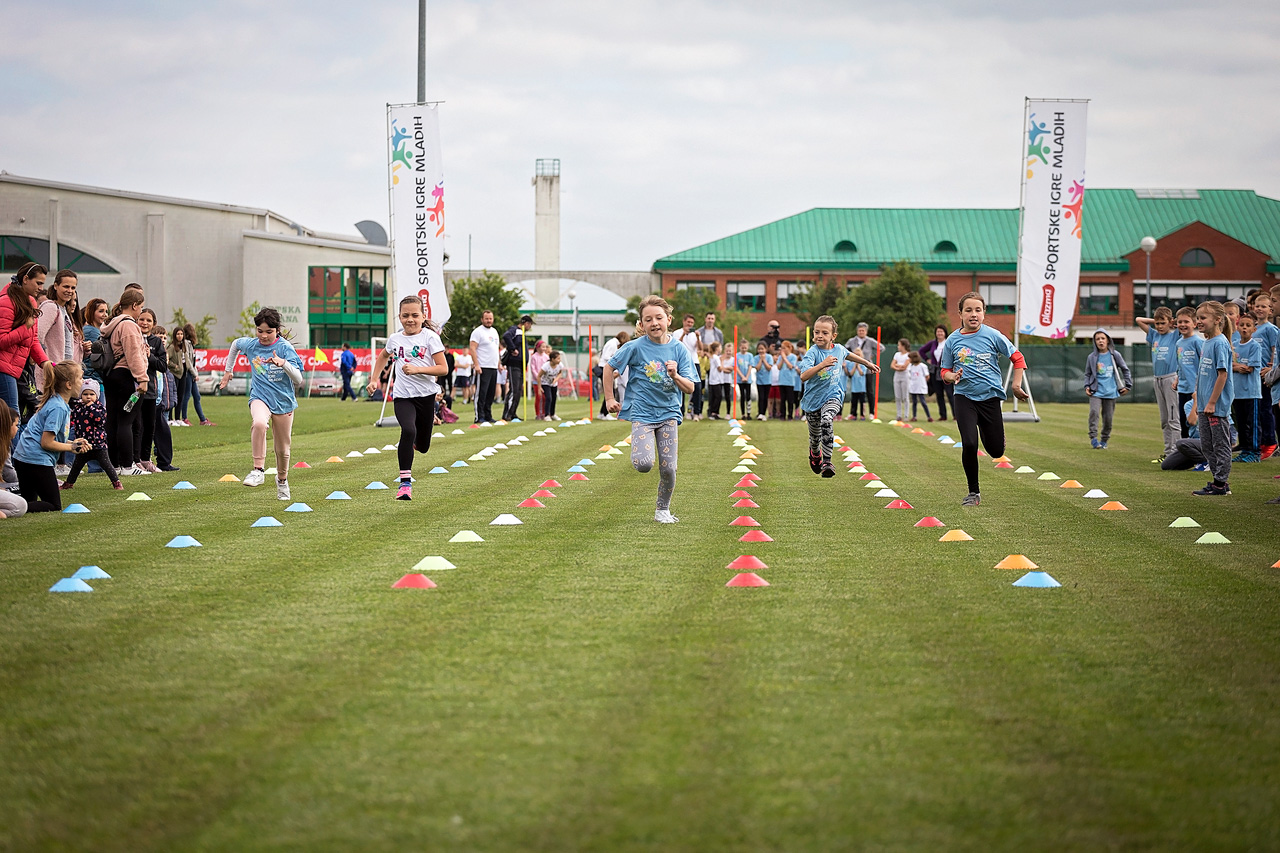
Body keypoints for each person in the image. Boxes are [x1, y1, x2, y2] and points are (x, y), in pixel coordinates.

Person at [602, 295, 697, 523]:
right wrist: (609, 399)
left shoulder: (680, 349)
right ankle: (641, 454)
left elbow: (690, 387)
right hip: (642, 414)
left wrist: (675, 376)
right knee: (644, 464)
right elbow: (608, 367)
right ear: (642, 324)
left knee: (669, 469)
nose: (654, 323)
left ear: (668, 319)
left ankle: (662, 510)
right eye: (648, 319)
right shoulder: (634, 347)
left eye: (659, 318)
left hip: (669, 414)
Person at [939, 291, 1029, 507]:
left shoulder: (992, 335)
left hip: (990, 399)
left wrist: (1016, 385)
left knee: (996, 451)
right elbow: (944, 371)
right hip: (964, 397)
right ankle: (973, 492)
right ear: (960, 313)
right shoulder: (952, 340)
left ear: (983, 313)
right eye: (968, 310)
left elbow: (1018, 358)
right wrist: (952, 376)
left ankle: (996, 439)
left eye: (978, 310)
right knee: (969, 443)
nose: (973, 314)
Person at [219, 307, 304, 500]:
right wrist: (227, 371)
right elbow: (235, 345)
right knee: (258, 423)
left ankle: (282, 480)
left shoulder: (285, 348)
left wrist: (283, 364)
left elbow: (298, 379)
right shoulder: (251, 345)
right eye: (260, 331)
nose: (263, 336)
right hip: (260, 397)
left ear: (277, 331)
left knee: (282, 450)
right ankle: (258, 470)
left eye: (268, 332)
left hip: (283, 402)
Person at [367, 295, 447, 501]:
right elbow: (383, 356)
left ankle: (414, 444)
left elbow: (443, 368)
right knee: (408, 430)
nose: (410, 319)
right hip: (403, 396)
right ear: (399, 317)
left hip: (427, 396)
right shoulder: (395, 339)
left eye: (414, 315)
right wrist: (374, 379)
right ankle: (405, 484)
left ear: (423, 316)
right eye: (405, 315)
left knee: (424, 446)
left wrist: (418, 369)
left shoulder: (430, 338)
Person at [798, 315, 881, 476]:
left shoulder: (839, 349)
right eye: (816, 332)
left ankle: (827, 462)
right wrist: (822, 364)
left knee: (827, 420)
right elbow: (803, 376)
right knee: (815, 438)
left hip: (833, 396)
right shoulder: (812, 353)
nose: (819, 336)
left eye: (824, 333)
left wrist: (867, 363)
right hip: (812, 401)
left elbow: (849, 354)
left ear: (833, 336)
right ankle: (815, 454)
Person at [13, 360, 89, 512]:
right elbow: (46, 442)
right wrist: (71, 447)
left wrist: (73, 442)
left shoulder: (58, 403)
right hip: (35, 460)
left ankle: (9, 505)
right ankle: (7, 504)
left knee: (27, 506)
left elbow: (50, 438)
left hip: (24, 458)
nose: (83, 381)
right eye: (80, 378)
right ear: (68, 384)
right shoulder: (58, 407)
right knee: (53, 505)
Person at [99, 287, 150, 475]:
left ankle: (115, 464)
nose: (141, 311)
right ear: (134, 305)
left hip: (112, 375)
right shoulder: (128, 325)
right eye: (141, 307)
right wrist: (142, 379)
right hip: (125, 376)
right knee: (126, 421)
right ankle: (128, 465)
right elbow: (133, 354)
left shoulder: (113, 323)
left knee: (112, 421)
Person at [1192, 301, 1235, 496]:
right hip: (1203, 405)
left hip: (1215, 407)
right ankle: (1218, 480)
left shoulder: (1220, 343)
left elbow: (1222, 375)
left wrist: (1212, 402)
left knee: (1220, 445)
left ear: (1217, 320)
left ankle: (1220, 484)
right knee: (1207, 445)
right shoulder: (1207, 342)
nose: (1198, 322)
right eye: (1198, 318)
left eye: (1203, 318)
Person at [60, 378, 121, 491]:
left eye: (92, 394)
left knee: (107, 465)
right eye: (85, 394)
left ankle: (116, 482)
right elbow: (72, 419)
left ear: (96, 396)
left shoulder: (99, 407)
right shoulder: (78, 408)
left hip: (98, 444)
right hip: (83, 444)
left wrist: (91, 407)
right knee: (76, 466)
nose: (88, 397)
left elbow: (100, 420)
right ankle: (69, 483)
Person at [1136, 307, 1181, 461]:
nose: (1160, 326)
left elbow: (1181, 326)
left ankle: (1176, 452)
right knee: (1164, 419)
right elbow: (1138, 320)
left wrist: (1173, 322)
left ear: (1170, 322)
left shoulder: (1175, 335)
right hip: (1157, 379)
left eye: (1163, 323)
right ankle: (1168, 452)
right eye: (1157, 323)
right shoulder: (1154, 335)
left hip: (1170, 378)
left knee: (1173, 418)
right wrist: (1154, 321)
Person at [36, 270, 85, 393]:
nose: (69, 290)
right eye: (66, 286)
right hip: (49, 373)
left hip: (62, 373)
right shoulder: (51, 307)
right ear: (56, 286)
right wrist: (46, 364)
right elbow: (37, 336)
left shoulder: (63, 310)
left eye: (73, 287)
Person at [1083, 330, 1131, 449]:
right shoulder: (1092, 357)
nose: (1100, 341)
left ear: (1107, 340)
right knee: (1094, 412)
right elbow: (1087, 374)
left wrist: (1128, 385)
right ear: (1095, 341)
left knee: (1108, 418)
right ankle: (1093, 438)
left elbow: (1125, 369)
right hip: (1096, 391)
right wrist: (1087, 386)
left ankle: (1104, 440)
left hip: (1111, 392)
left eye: (1102, 338)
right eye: (1098, 339)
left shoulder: (1115, 355)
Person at [1231, 313, 1264, 463]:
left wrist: (1236, 367)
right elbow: (1230, 365)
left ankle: (1255, 452)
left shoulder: (1255, 346)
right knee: (1241, 423)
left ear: (1254, 329)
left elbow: (1249, 368)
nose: (1244, 328)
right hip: (1237, 393)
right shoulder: (1235, 345)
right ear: (1237, 327)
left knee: (1253, 424)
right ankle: (1245, 450)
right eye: (1242, 325)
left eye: (1248, 325)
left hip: (1251, 392)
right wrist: (1238, 367)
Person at [1249, 293, 1278, 458]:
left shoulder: (1270, 329)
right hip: (1253, 376)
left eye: (1263, 306)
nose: (1259, 309)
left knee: (1267, 409)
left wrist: (1271, 369)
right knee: (1258, 410)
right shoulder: (1253, 328)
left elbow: (1276, 350)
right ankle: (1259, 441)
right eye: (1257, 306)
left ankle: (1270, 442)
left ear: (1269, 310)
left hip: (1265, 376)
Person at [1173, 306, 1203, 438]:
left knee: (1195, 423)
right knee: (1183, 422)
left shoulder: (1198, 342)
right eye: (1180, 322)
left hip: (1195, 391)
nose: (1183, 325)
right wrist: (1177, 379)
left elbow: (1203, 365)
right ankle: (1185, 452)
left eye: (1186, 322)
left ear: (1195, 324)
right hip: (1183, 389)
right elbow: (1180, 365)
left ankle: (1198, 450)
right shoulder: (1179, 343)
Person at [501, 315, 534, 421]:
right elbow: (506, 336)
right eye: (530, 324)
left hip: (521, 365)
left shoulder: (523, 332)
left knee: (519, 390)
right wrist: (512, 349)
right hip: (514, 364)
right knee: (514, 389)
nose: (530, 327)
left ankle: (513, 412)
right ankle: (507, 414)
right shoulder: (515, 330)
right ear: (526, 323)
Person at [469, 310, 500, 423]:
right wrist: (477, 365)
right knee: (481, 393)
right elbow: (472, 349)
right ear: (482, 319)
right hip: (482, 367)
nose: (488, 321)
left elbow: (496, 350)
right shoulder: (478, 332)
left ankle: (488, 415)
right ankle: (479, 416)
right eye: (486, 319)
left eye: (490, 318)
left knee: (491, 393)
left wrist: (499, 364)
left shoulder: (495, 331)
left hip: (493, 367)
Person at [671, 314, 702, 419]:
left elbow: (700, 348)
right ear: (684, 322)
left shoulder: (695, 334)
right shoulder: (677, 333)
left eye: (692, 323)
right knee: (680, 385)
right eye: (688, 322)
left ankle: (697, 412)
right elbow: (675, 346)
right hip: (681, 362)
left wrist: (698, 337)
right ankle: (681, 411)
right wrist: (683, 334)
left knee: (697, 387)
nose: (690, 325)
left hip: (694, 361)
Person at [183, 323, 214, 425]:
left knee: (197, 396)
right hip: (188, 374)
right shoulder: (186, 344)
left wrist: (195, 373)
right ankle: (184, 418)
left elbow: (193, 361)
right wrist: (194, 373)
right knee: (187, 396)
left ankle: (202, 419)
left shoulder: (191, 344)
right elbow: (188, 361)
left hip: (191, 374)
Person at [1162, 400, 1207, 471]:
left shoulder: (1214, 402)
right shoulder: (1189, 404)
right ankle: (1199, 459)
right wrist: (1196, 402)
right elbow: (1192, 421)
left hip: (1208, 442)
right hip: (1194, 443)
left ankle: (1205, 462)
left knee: (1181, 443)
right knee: (1166, 465)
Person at [919, 324, 951, 421]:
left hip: (946, 370)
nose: (940, 333)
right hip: (935, 371)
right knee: (939, 394)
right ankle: (943, 415)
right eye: (938, 332)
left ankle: (955, 415)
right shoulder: (933, 343)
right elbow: (921, 351)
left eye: (941, 331)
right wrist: (927, 359)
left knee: (950, 393)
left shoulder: (949, 342)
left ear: (945, 333)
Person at [0, 404, 26, 518]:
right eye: (16, 425)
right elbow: (8, 471)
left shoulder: (5, 444)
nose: (17, 428)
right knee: (20, 505)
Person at [598, 332, 630, 417]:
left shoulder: (612, 343)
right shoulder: (612, 344)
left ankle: (602, 413)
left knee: (608, 391)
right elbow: (606, 357)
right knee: (609, 391)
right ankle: (605, 413)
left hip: (605, 367)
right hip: (605, 368)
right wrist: (618, 360)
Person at [81, 297, 110, 385]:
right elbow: (95, 359)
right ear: (91, 313)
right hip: (92, 379)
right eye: (101, 311)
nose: (105, 315)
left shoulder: (97, 330)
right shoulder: (91, 331)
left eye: (106, 311)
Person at [538, 350, 564, 422]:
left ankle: (553, 414)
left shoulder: (560, 365)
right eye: (558, 358)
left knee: (554, 398)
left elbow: (560, 373)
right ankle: (547, 415)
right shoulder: (545, 366)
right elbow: (539, 376)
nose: (559, 360)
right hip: (545, 383)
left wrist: (556, 379)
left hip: (553, 384)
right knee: (549, 398)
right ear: (552, 359)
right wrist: (539, 387)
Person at [705, 341, 729, 418]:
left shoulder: (713, 357)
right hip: (716, 380)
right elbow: (720, 368)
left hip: (714, 380)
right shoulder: (716, 358)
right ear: (717, 348)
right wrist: (723, 363)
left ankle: (714, 412)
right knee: (718, 396)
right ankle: (714, 412)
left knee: (715, 396)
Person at [528, 340, 550, 420]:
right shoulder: (534, 356)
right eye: (543, 347)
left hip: (545, 380)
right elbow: (533, 368)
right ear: (538, 347)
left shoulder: (546, 357)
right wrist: (537, 377)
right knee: (538, 397)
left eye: (545, 347)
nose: (544, 348)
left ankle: (544, 413)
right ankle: (538, 413)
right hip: (536, 380)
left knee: (545, 397)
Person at [907, 351, 932, 421]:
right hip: (913, 386)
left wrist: (923, 382)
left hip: (920, 387)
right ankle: (914, 416)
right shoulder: (910, 367)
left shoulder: (923, 366)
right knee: (914, 402)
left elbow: (927, 376)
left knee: (923, 402)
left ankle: (929, 416)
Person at [777, 341, 799, 421]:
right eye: (781, 348)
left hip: (790, 381)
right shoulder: (780, 357)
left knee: (790, 399)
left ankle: (790, 415)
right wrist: (782, 359)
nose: (782, 350)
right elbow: (778, 367)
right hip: (782, 381)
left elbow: (790, 366)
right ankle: (782, 415)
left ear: (789, 348)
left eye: (784, 348)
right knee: (783, 399)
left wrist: (785, 358)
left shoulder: (793, 357)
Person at [891, 338, 911, 421]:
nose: (898, 347)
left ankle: (906, 415)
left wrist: (898, 366)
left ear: (903, 345)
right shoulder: (897, 354)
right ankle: (899, 415)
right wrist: (899, 366)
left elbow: (904, 367)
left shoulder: (908, 355)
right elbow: (892, 365)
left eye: (899, 345)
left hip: (905, 376)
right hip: (897, 376)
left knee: (905, 396)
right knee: (898, 396)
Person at [752, 342, 772, 421]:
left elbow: (769, 368)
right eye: (759, 349)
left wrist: (764, 360)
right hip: (759, 381)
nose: (761, 351)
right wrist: (761, 360)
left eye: (762, 349)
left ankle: (763, 413)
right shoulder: (756, 358)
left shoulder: (769, 357)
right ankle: (760, 413)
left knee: (766, 397)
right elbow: (757, 368)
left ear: (766, 349)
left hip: (768, 381)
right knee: (761, 397)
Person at [734, 341, 753, 420]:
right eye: (742, 347)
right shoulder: (737, 356)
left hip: (748, 379)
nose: (744, 349)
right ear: (739, 347)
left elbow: (750, 366)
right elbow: (736, 367)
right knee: (742, 396)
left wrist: (747, 377)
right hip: (740, 379)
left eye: (745, 348)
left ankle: (749, 413)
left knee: (748, 396)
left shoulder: (750, 356)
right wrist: (742, 376)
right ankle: (743, 414)